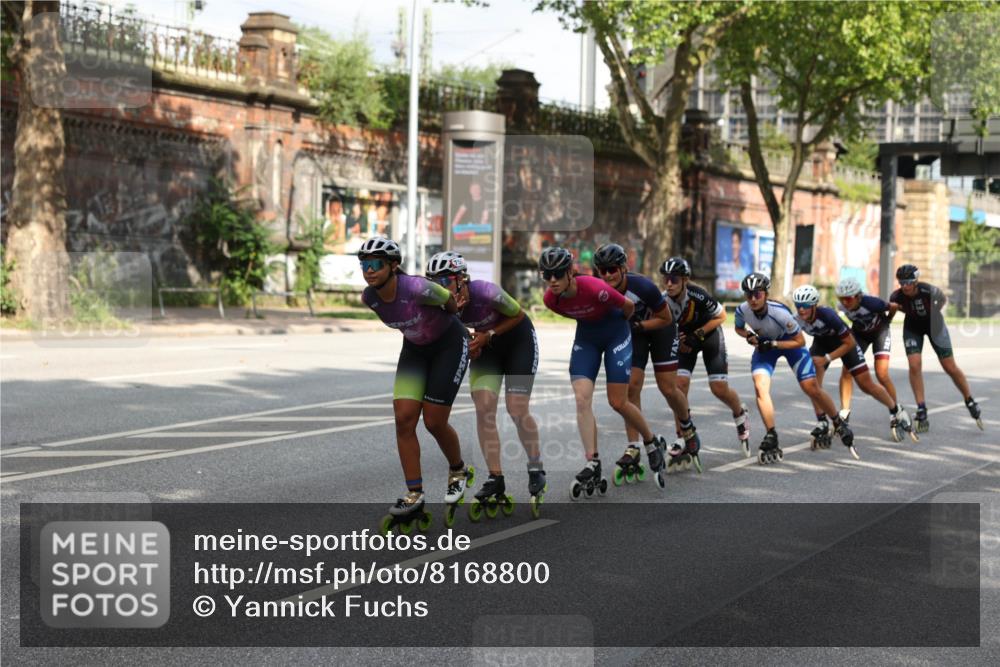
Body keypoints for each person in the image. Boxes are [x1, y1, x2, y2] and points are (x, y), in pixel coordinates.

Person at [358, 237, 474, 533]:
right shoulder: (369, 298)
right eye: (364, 265)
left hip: (448, 345)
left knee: (434, 422)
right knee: (404, 419)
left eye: (375, 264)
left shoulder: (417, 287)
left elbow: (450, 303)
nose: (369, 271)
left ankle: (458, 469)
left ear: (393, 266)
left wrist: (453, 318)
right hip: (415, 351)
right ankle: (415, 493)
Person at [425, 250, 547, 519]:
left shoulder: (486, 292)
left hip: (517, 342)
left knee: (516, 409)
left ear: (460, 279)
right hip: (486, 348)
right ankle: (495, 476)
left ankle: (536, 466)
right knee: (483, 406)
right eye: (434, 284)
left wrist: (489, 334)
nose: (440, 289)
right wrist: (472, 345)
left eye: (444, 281)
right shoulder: (444, 307)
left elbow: (517, 315)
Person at [540, 246, 668, 498]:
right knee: (581, 398)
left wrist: (624, 326)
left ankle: (651, 441)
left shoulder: (594, 287)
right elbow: (573, 313)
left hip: (616, 336)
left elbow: (629, 307)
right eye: (547, 276)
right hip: (587, 340)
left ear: (570, 272)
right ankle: (592, 461)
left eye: (557, 274)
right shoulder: (549, 300)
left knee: (618, 401)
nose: (552, 281)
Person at [734, 273, 858, 464]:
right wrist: (749, 336)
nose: (752, 299)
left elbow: (799, 341)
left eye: (757, 294)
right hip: (766, 347)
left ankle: (837, 422)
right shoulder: (742, 310)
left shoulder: (780, 313)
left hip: (788, 344)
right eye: (748, 295)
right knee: (760, 387)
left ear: (766, 294)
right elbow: (739, 328)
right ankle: (771, 434)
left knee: (811, 387)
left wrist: (774, 344)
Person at [592, 243, 676, 484]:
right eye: (603, 270)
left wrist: (639, 325)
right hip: (635, 331)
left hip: (659, 327)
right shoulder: (599, 289)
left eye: (612, 270)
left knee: (669, 387)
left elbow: (665, 317)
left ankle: (687, 426)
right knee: (631, 388)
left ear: (622, 268)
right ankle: (633, 446)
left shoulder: (642, 287)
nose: (608, 275)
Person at [791, 284, 915, 446]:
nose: (802, 310)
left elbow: (849, 343)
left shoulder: (828, 315)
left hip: (846, 344)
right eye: (798, 306)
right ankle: (822, 421)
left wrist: (827, 358)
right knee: (813, 385)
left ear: (814, 305)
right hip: (821, 344)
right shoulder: (796, 319)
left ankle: (895, 409)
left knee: (866, 385)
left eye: (806, 306)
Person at [660, 257, 751, 457]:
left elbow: (722, 317)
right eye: (666, 279)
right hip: (686, 342)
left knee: (718, 388)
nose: (669, 284)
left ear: (685, 280)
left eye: (674, 279)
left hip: (709, 336)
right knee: (678, 387)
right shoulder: (663, 300)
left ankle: (739, 414)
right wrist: (677, 338)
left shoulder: (697, 295)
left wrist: (697, 334)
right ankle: (683, 436)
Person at [890, 264, 983, 431]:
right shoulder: (896, 297)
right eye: (901, 282)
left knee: (949, 367)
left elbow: (942, 299)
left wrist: (933, 311)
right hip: (913, 329)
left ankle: (969, 399)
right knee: (914, 365)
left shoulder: (928, 290)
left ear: (916, 281)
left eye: (908, 282)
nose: (905, 286)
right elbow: (893, 311)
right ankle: (921, 407)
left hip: (935, 326)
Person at [835, 276, 900, 423]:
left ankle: (896, 411)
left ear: (858, 297)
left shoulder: (872, 303)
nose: (845, 302)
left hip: (879, 333)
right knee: (846, 370)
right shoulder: (841, 306)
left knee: (881, 373)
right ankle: (844, 412)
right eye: (842, 298)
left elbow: (894, 306)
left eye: (849, 299)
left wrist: (888, 320)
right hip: (860, 335)